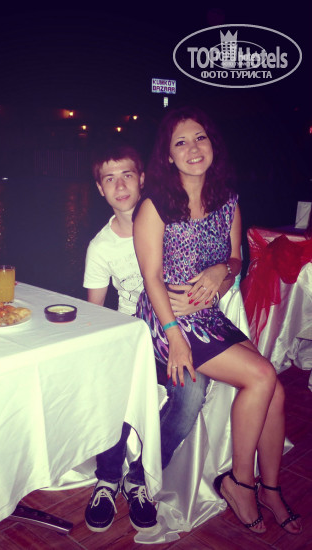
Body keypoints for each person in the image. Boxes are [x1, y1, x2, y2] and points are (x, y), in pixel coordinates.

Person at [133, 105, 301, 535]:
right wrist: (175, 337)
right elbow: (151, 277)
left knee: (276, 390)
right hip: (167, 318)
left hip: (206, 314)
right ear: (168, 155)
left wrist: (219, 273)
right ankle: (239, 483)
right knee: (262, 377)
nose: (193, 148)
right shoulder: (155, 205)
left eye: (200, 138)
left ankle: (270, 487)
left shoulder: (227, 200)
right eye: (181, 142)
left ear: (212, 145)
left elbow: (236, 260)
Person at [82, 142, 210, 534]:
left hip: (174, 333)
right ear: (100, 189)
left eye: (127, 175)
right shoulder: (100, 247)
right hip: (131, 335)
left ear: (142, 179)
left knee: (192, 392)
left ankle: (138, 477)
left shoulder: (169, 220)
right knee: (113, 385)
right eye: (109, 179)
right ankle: (108, 479)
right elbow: (95, 314)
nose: (120, 186)